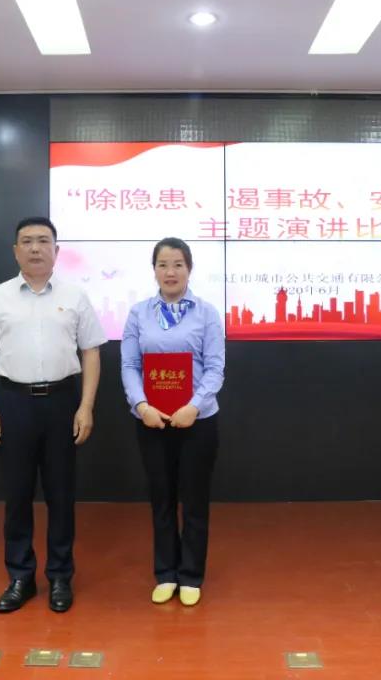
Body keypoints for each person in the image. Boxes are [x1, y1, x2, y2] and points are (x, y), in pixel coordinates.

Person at [0, 216, 105, 614]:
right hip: (14, 402)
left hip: (62, 402)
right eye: (26, 241)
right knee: (17, 495)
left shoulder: (75, 295)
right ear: (15, 251)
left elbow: (91, 352)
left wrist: (86, 406)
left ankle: (60, 575)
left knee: (61, 495)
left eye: (44, 241)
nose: (35, 248)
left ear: (57, 250)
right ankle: (20, 576)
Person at [120, 237, 225, 607]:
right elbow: (129, 365)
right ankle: (166, 573)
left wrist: (194, 406)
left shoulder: (206, 313)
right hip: (152, 421)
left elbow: (215, 367)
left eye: (178, 264)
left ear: (189, 269)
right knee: (161, 499)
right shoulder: (139, 313)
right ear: (154, 270)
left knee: (194, 500)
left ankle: (191, 574)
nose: (170, 272)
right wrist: (141, 405)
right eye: (163, 264)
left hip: (197, 421)